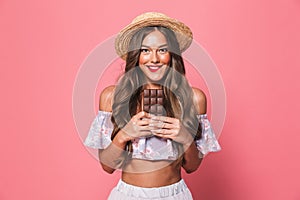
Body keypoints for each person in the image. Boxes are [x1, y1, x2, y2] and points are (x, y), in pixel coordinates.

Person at [84, 12, 221, 199]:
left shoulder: (194, 99)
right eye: (145, 50)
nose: (154, 58)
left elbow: (191, 167)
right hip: (128, 194)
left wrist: (185, 137)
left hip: (175, 194)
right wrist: (125, 134)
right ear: (136, 55)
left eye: (162, 50)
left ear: (171, 55)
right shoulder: (113, 97)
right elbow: (107, 166)